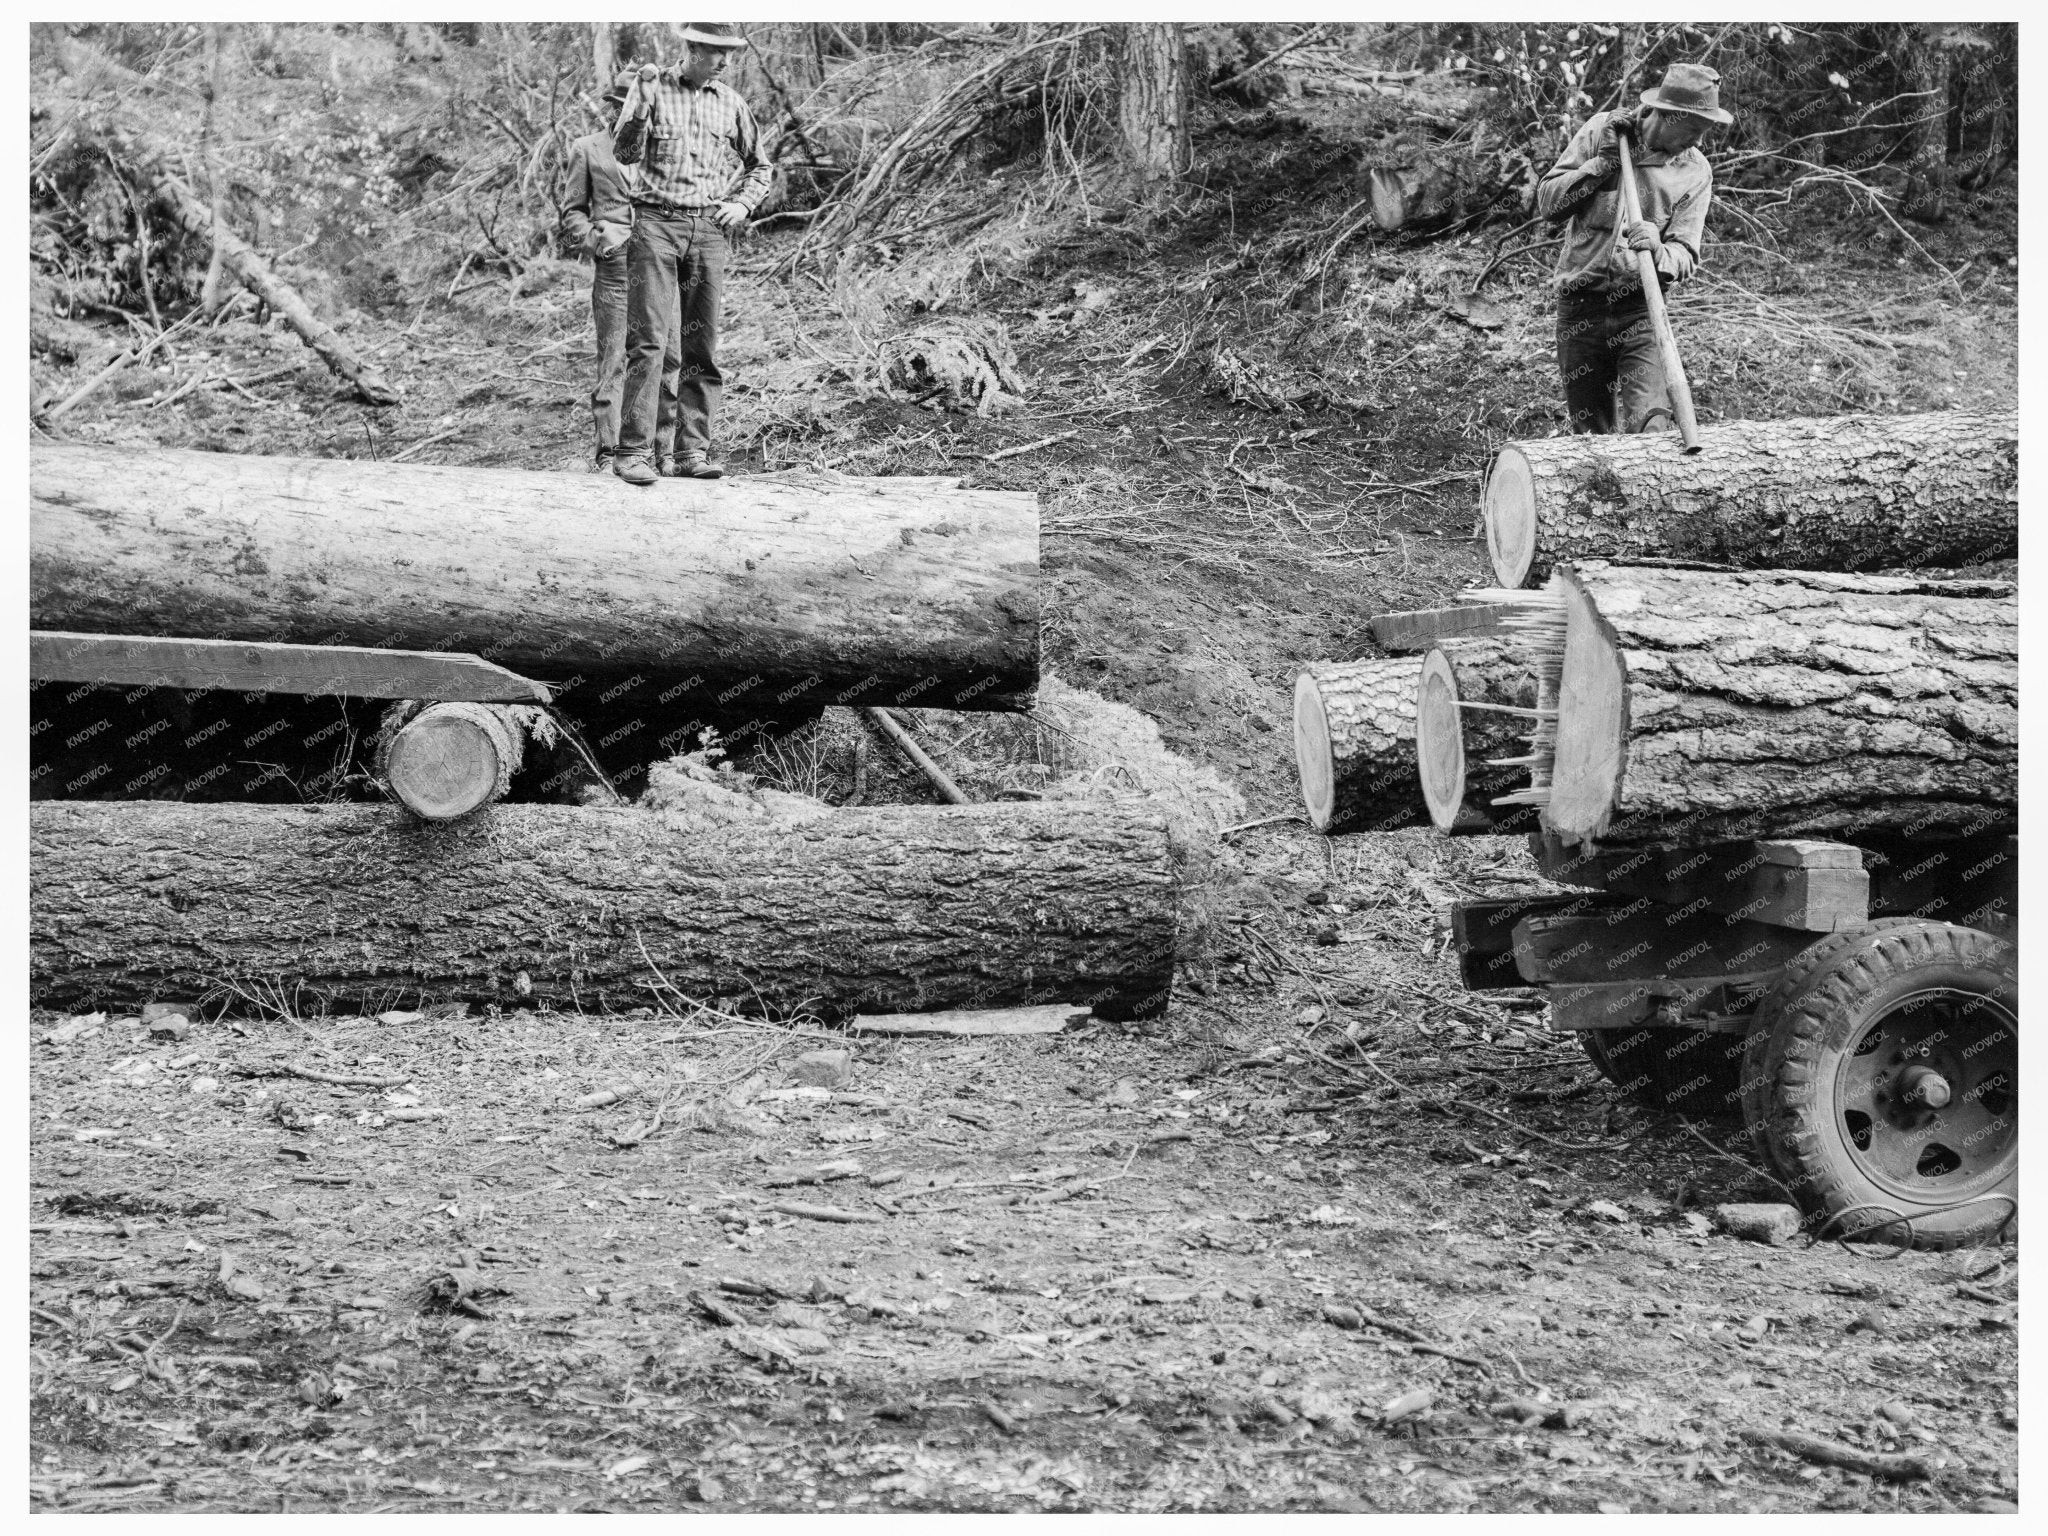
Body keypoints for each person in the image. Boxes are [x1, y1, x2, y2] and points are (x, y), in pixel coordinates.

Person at [609, 23, 775, 484]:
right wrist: (638, 111)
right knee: (649, 342)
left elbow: (760, 165)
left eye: (730, 53)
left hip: (707, 230)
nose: (725, 62)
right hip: (655, 225)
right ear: (692, 48)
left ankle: (690, 452)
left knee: (702, 345)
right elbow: (625, 154)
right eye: (717, 52)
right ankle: (634, 452)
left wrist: (742, 204)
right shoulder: (652, 86)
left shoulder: (731, 102)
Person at [1536, 62, 1731, 434]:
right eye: (1694, 130)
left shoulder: (1695, 172)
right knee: (1591, 434)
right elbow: (1548, 203)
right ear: (1668, 115)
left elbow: (1685, 254)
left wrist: (1658, 250)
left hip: (1641, 311)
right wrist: (1602, 164)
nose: (1698, 142)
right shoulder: (1603, 131)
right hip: (1581, 307)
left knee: (1652, 426)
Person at [559, 77, 684, 475]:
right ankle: (610, 452)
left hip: (661, 262)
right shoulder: (587, 148)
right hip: (615, 267)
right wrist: (599, 240)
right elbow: (572, 213)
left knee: (668, 356)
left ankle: (663, 452)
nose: (626, 110)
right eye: (620, 103)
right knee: (614, 359)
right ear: (612, 107)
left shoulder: (667, 148)